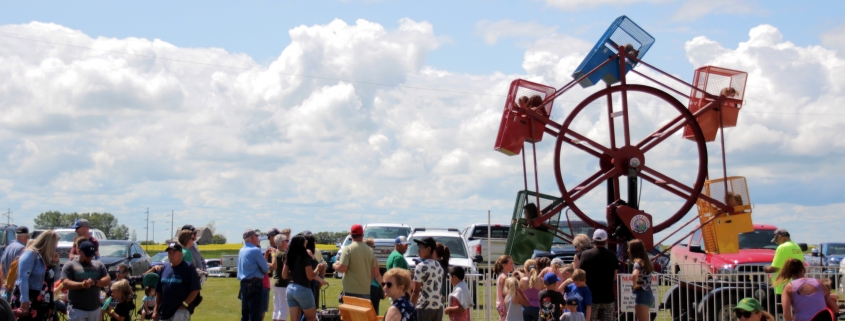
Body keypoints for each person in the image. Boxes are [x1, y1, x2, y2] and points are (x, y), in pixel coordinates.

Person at [8, 230, 59, 321]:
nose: (55, 248)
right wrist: (25, 300)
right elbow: (22, 278)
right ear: (48, 244)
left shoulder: (45, 258)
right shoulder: (30, 254)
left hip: (46, 301)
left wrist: (55, 263)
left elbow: (55, 277)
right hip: (32, 298)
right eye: (54, 245)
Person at [61, 240, 110, 320]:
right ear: (79, 251)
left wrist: (95, 282)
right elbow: (65, 283)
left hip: (95, 308)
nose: (90, 257)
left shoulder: (99, 265)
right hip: (77, 309)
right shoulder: (70, 265)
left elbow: (107, 280)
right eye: (87, 255)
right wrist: (82, 285)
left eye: (91, 255)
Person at [153, 242, 201, 321]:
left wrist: (184, 305)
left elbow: (195, 289)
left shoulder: (188, 268)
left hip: (180, 311)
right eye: (169, 253)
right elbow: (159, 292)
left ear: (181, 254)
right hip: (164, 311)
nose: (171, 255)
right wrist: (155, 309)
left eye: (174, 252)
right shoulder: (164, 268)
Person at [578, 229, 618, 321]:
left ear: (593, 239)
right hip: (607, 296)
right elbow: (614, 277)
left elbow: (580, 274)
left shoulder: (585, 254)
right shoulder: (612, 255)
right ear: (606, 240)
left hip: (590, 297)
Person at [333, 224, 379, 299]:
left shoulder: (348, 249)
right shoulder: (370, 250)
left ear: (351, 235)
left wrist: (334, 265)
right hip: (365, 290)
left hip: (350, 290)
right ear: (362, 235)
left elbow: (342, 268)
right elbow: (373, 272)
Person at [282, 235, 320, 321]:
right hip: (303, 288)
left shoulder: (289, 256)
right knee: (311, 317)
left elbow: (284, 275)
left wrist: (294, 274)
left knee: (294, 319)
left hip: (290, 289)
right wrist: (318, 268)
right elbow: (310, 277)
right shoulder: (305, 256)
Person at [238, 229, 269, 321]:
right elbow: (265, 268)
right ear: (252, 238)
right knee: (255, 315)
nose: (258, 238)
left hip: (244, 284)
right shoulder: (255, 250)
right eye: (256, 236)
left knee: (245, 314)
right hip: (255, 285)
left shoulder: (242, 250)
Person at [411, 237, 444, 321]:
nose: (418, 250)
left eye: (421, 247)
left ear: (429, 249)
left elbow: (416, 291)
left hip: (424, 308)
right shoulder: (439, 266)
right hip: (438, 307)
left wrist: (410, 309)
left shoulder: (421, 266)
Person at [764, 228, 804, 297]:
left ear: (780, 237)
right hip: (797, 284)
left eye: (776, 240)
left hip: (782, 286)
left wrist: (765, 268)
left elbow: (775, 268)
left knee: (780, 307)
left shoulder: (782, 247)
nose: (777, 242)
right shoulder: (796, 246)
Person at [628, 239, 654, 321]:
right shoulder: (646, 262)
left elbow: (635, 274)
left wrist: (634, 285)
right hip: (648, 293)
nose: (627, 250)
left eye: (629, 248)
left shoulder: (637, 263)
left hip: (641, 294)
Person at [0, 226, 29, 291]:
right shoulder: (22, 249)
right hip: (16, 287)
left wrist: (6, 281)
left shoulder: (8, 247)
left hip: (8, 286)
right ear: (27, 236)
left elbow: (2, 265)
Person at [269, 233, 289, 321]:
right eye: (287, 241)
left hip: (274, 282)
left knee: (276, 308)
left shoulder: (275, 253)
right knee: (283, 309)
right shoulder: (284, 254)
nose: (288, 242)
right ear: (282, 242)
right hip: (282, 283)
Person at [365, 238, 384, 314]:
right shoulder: (373, 257)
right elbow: (377, 274)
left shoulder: (360, 258)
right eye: (373, 246)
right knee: (373, 313)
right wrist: (384, 286)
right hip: (373, 287)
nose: (374, 248)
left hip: (362, 287)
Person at [493, 255, 514, 321]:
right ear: (504, 265)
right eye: (511, 263)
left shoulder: (502, 276)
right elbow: (505, 294)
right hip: (503, 305)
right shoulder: (504, 277)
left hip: (501, 304)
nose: (513, 265)